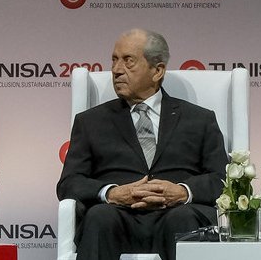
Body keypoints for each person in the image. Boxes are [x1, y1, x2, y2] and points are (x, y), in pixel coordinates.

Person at [56, 29, 227, 260]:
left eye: (128, 61)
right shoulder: (91, 122)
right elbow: (69, 183)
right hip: (116, 217)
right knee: (99, 217)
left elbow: (221, 180)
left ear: (157, 71)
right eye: (114, 60)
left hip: (177, 214)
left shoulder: (199, 119)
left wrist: (182, 191)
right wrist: (111, 193)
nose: (116, 70)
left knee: (184, 219)